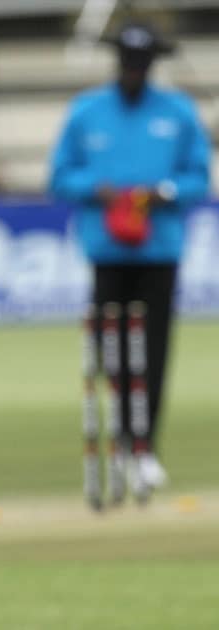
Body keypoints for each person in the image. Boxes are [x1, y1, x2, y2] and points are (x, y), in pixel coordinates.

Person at [49, 22, 211, 501]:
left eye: (142, 65)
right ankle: (122, 441)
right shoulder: (87, 111)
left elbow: (198, 178)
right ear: (117, 63)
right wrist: (95, 192)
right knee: (110, 352)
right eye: (127, 63)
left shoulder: (178, 111)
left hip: (159, 250)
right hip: (106, 251)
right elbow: (60, 177)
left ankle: (144, 449)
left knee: (154, 352)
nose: (134, 72)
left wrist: (163, 194)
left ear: (152, 66)